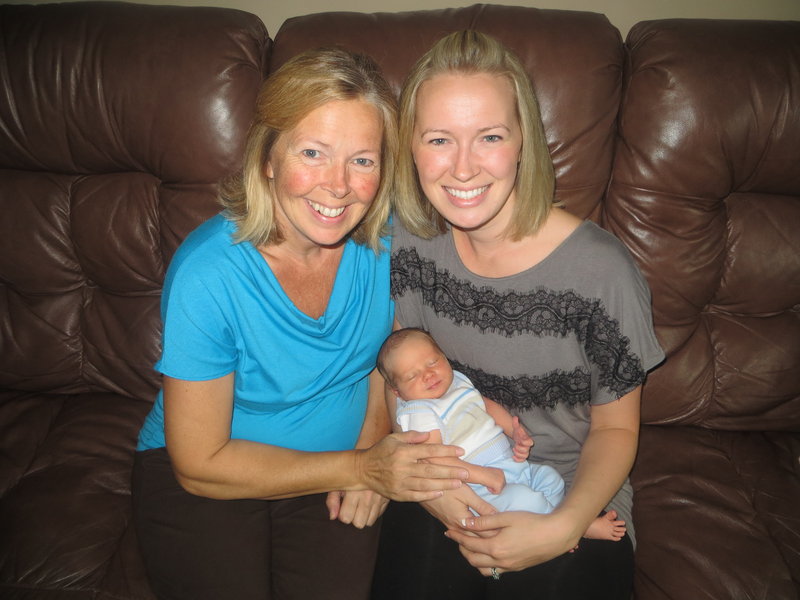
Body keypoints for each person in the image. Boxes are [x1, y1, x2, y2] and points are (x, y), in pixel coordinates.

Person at [131, 47, 470, 600]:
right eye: (313, 152)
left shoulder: (387, 243)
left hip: (338, 472)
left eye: (363, 160)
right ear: (268, 157)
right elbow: (199, 464)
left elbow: (387, 359)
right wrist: (362, 468)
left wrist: (373, 444)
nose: (337, 186)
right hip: (214, 474)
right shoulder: (209, 273)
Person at [370, 31, 664, 600]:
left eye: (489, 137)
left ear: (523, 140)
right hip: (450, 474)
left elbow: (617, 427)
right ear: (410, 146)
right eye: (438, 139)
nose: (462, 168)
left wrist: (562, 526)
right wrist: (437, 490)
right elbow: (399, 381)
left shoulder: (600, 271)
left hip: (570, 493)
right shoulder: (409, 242)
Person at [377, 327, 627, 540]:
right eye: (412, 376)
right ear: (397, 392)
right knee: (528, 502)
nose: (429, 374)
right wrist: (481, 475)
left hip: (509, 465)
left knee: (551, 479)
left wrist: (514, 430)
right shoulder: (419, 412)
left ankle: (555, 522)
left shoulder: (457, 383)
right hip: (478, 484)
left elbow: (484, 404)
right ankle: (574, 531)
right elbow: (435, 459)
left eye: (433, 362)